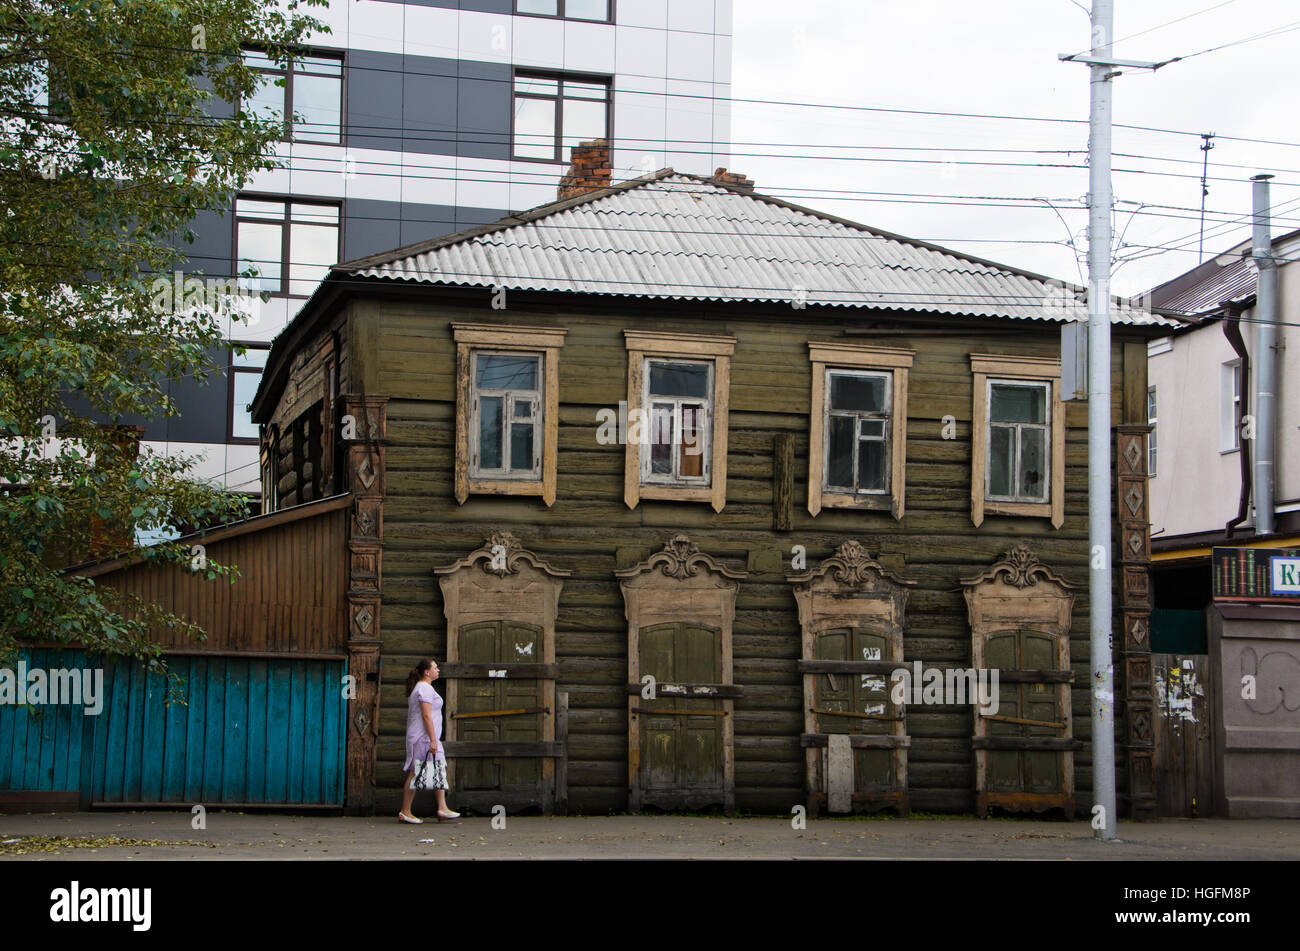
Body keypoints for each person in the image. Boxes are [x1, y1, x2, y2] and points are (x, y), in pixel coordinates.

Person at [399, 658, 459, 823]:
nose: (438, 670)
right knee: (415, 771)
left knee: (439, 768)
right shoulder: (424, 688)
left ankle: (442, 808)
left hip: (428, 738)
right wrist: (433, 739)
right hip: (423, 738)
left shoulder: (425, 688)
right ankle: (405, 811)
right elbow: (426, 716)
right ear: (427, 672)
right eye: (435, 667)